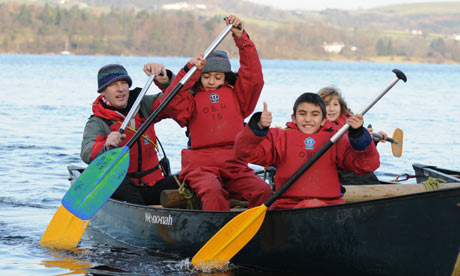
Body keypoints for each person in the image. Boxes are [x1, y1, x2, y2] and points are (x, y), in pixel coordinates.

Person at [162, 15, 273, 211]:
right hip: (200, 166)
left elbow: (253, 76)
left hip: (234, 164)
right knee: (213, 191)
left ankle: (261, 235)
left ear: (226, 77)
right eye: (206, 76)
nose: (212, 81)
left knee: (263, 191)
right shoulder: (190, 97)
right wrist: (189, 70)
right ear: (199, 77)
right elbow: (172, 100)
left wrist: (242, 39)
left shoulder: (238, 97)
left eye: (217, 76)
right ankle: (214, 234)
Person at [234, 93, 380, 209]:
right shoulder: (279, 137)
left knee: (313, 206)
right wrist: (258, 127)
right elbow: (244, 152)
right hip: (287, 208)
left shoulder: (336, 139)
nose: (308, 119)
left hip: (329, 207)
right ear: (294, 117)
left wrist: (358, 135)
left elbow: (367, 165)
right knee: (309, 207)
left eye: (315, 115)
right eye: (302, 114)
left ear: (324, 120)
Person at [80, 63, 179, 205]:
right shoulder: (98, 122)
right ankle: (143, 217)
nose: (120, 89)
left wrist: (166, 81)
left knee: (188, 178)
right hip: (122, 188)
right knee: (118, 180)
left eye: (124, 83)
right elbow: (86, 152)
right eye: (113, 85)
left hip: (152, 184)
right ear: (102, 91)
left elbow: (177, 100)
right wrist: (106, 145)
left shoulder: (144, 105)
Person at [318, 86, 388, 184]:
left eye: (335, 104)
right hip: (342, 176)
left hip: (362, 173)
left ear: (341, 106)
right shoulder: (317, 128)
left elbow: (361, 154)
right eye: (327, 105)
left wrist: (370, 140)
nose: (331, 109)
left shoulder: (350, 124)